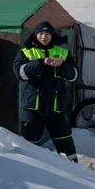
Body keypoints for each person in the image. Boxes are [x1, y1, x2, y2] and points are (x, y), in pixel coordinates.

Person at [13, 22, 79, 162]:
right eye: (41, 34)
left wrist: (62, 66)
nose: (44, 37)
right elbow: (20, 73)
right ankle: (29, 168)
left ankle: (75, 170)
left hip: (55, 106)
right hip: (33, 106)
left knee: (65, 141)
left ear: (52, 35)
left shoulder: (63, 52)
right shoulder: (26, 51)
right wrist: (41, 63)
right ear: (36, 35)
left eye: (47, 34)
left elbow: (74, 76)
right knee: (29, 141)